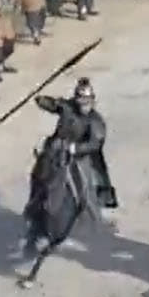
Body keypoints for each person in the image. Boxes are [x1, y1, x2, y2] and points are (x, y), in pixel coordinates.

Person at [25, 78, 116, 239]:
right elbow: (52, 104)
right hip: (56, 149)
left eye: (87, 101)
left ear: (92, 100)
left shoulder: (96, 121)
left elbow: (95, 143)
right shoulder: (67, 107)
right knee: (39, 174)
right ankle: (33, 207)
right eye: (80, 100)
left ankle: (95, 220)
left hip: (79, 156)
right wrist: (40, 99)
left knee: (86, 187)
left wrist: (76, 148)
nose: (84, 104)